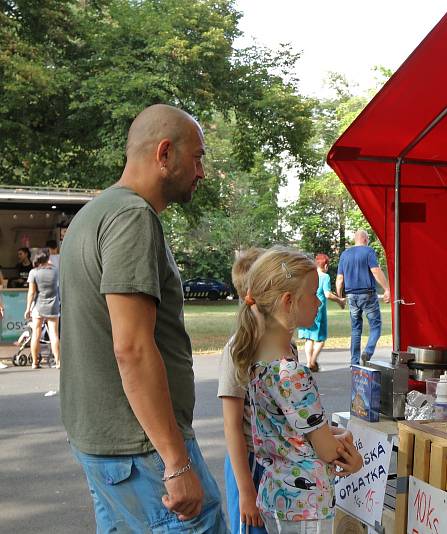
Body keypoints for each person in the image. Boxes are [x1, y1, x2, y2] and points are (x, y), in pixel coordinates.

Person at [59, 104, 226, 531]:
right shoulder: (133, 216)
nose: (202, 171)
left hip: (105, 445)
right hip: (142, 451)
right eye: (198, 157)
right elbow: (131, 347)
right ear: (165, 154)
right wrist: (175, 460)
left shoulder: (91, 216)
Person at [230, 246, 363, 531]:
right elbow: (326, 451)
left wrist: (331, 433)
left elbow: (291, 432)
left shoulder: (257, 362)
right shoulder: (291, 373)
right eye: (313, 294)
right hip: (306, 506)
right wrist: (350, 454)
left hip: (277, 497)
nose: (318, 302)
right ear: (288, 301)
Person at [218, 247, 268, 534]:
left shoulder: (287, 347)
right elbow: (232, 427)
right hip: (248, 467)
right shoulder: (238, 351)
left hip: (281, 465)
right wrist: (246, 493)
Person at [335, 230, 391, 366]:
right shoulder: (368, 251)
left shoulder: (344, 254)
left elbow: (339, 279)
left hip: (351, 296)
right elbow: (376, 270)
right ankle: (368, 351)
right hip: (368, 295)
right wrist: (386, 289)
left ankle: (354, 362)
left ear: (355, 240)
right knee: (376, 326)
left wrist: (340, 296)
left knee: (355, 329)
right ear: (366, 239)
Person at [298, 253, 345, 372]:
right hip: (318, 311)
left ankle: (309, 362)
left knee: (309, 339)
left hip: (306, 308)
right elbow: (327, 294)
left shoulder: (307, 275)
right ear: (326, 265)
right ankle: (312, 362)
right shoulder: (325, 276)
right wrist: (339, 300)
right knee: (320, 339)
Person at [24, 250, 61, 369]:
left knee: (36, 334)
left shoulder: (33, 272)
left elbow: (31, 292)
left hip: (38, 306)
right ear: (47, 259)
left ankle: (35, 363)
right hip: (53, 306)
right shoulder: (55, 271)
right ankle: (58, 361)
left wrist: (28, 308)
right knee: (54, 335)